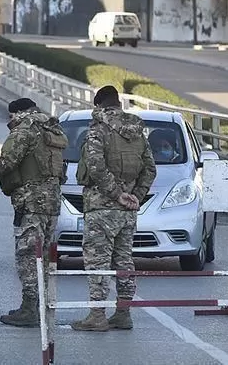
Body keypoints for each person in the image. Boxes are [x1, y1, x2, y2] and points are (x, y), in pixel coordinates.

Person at [0, 98, 69, 327]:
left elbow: (7, 162)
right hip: (51, 202)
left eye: (11, 116)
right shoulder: (52, 130)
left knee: (27, 255)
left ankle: (29, 309)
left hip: (31, 202)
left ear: (17, 113)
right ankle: (40, 306)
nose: (10, 121)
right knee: (43, 256)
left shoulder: (25, 131)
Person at [71, 85, 156, 332]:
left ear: (98, 106)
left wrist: (117, 195)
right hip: (128, 212)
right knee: (124, 261)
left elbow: (95, 168)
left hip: (101, 208)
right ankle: (123, 313)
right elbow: (150, 169)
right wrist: (134, 196)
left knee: (97, 262)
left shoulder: (98, 130)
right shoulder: (138, 133)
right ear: (119, 104)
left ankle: (97, 316)